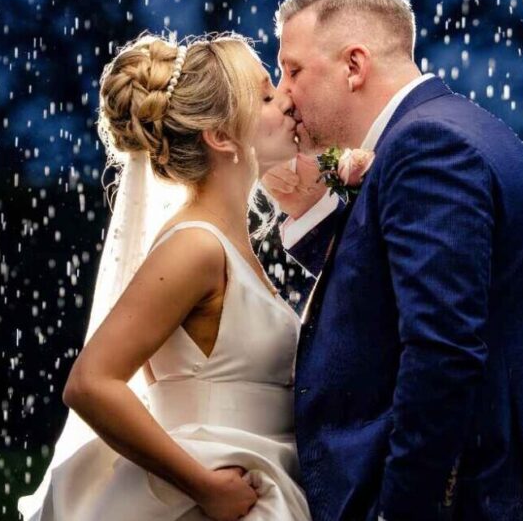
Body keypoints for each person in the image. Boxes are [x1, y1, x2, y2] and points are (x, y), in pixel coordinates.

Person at [262, 0, 523, 520]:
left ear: (354, 65)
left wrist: (400, 511)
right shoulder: (449, 129)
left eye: (293, 70)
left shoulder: (429, 148)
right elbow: (381, 294)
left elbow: (442, 353)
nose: (284, 95)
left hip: (480, 501)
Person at [18, 32, 312, 521]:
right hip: (212, 498)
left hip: (265, 484)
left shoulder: (229, 245)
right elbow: (91, 383)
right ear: (220, 137)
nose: (287, 99)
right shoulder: (195, 246)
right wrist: (205, 487)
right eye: (265, 95)